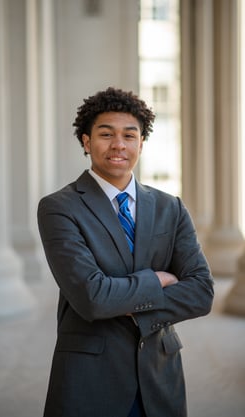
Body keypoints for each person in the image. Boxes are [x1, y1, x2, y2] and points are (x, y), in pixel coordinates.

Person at [37, 87, 214, 417]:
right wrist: (157, 280)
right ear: (86, 142)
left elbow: (201, 293)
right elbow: (92, 297)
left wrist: (126, 303)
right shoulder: (59, 208)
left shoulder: (169, 207)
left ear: (140, 144)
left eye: (129, 135)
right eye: (106, 134)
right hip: (90, 378)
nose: (119, 144)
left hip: (161, 375)